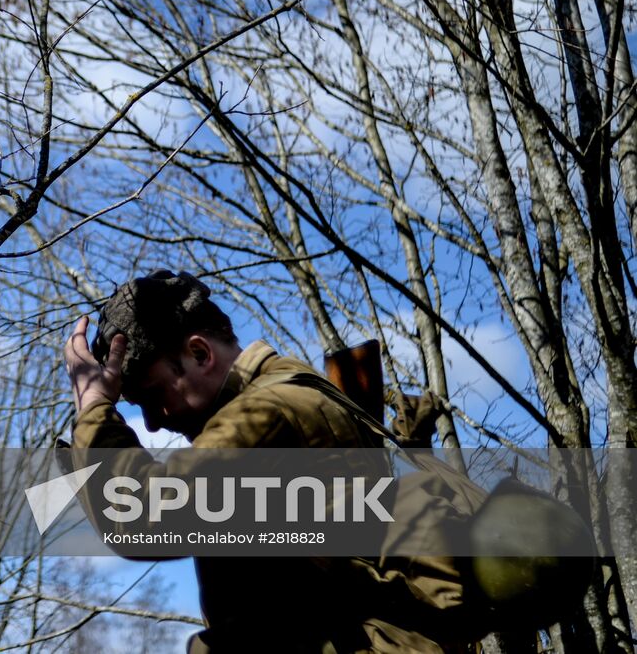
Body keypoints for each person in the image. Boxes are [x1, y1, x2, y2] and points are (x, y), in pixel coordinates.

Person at [63, 270, 459, 654]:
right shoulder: (298, 388)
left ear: (199, 353)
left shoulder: (266, 416)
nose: (152, 420)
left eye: (153, 396)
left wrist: (95, 409)